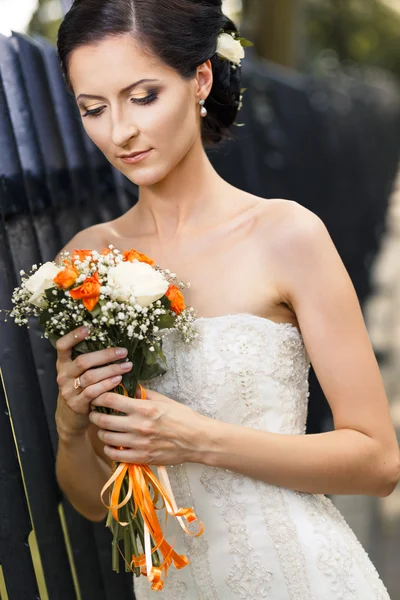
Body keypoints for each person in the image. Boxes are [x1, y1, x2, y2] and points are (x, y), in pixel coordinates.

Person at [54, 0, 399, 598]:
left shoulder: (287, 235)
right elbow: (93, 504)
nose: (120, 131)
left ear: (201, 79)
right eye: (93, 108)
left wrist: (196, 440)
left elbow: (378, 463)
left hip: (299, 576)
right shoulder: (86, 262)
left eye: (143, 97)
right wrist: (68, 425)